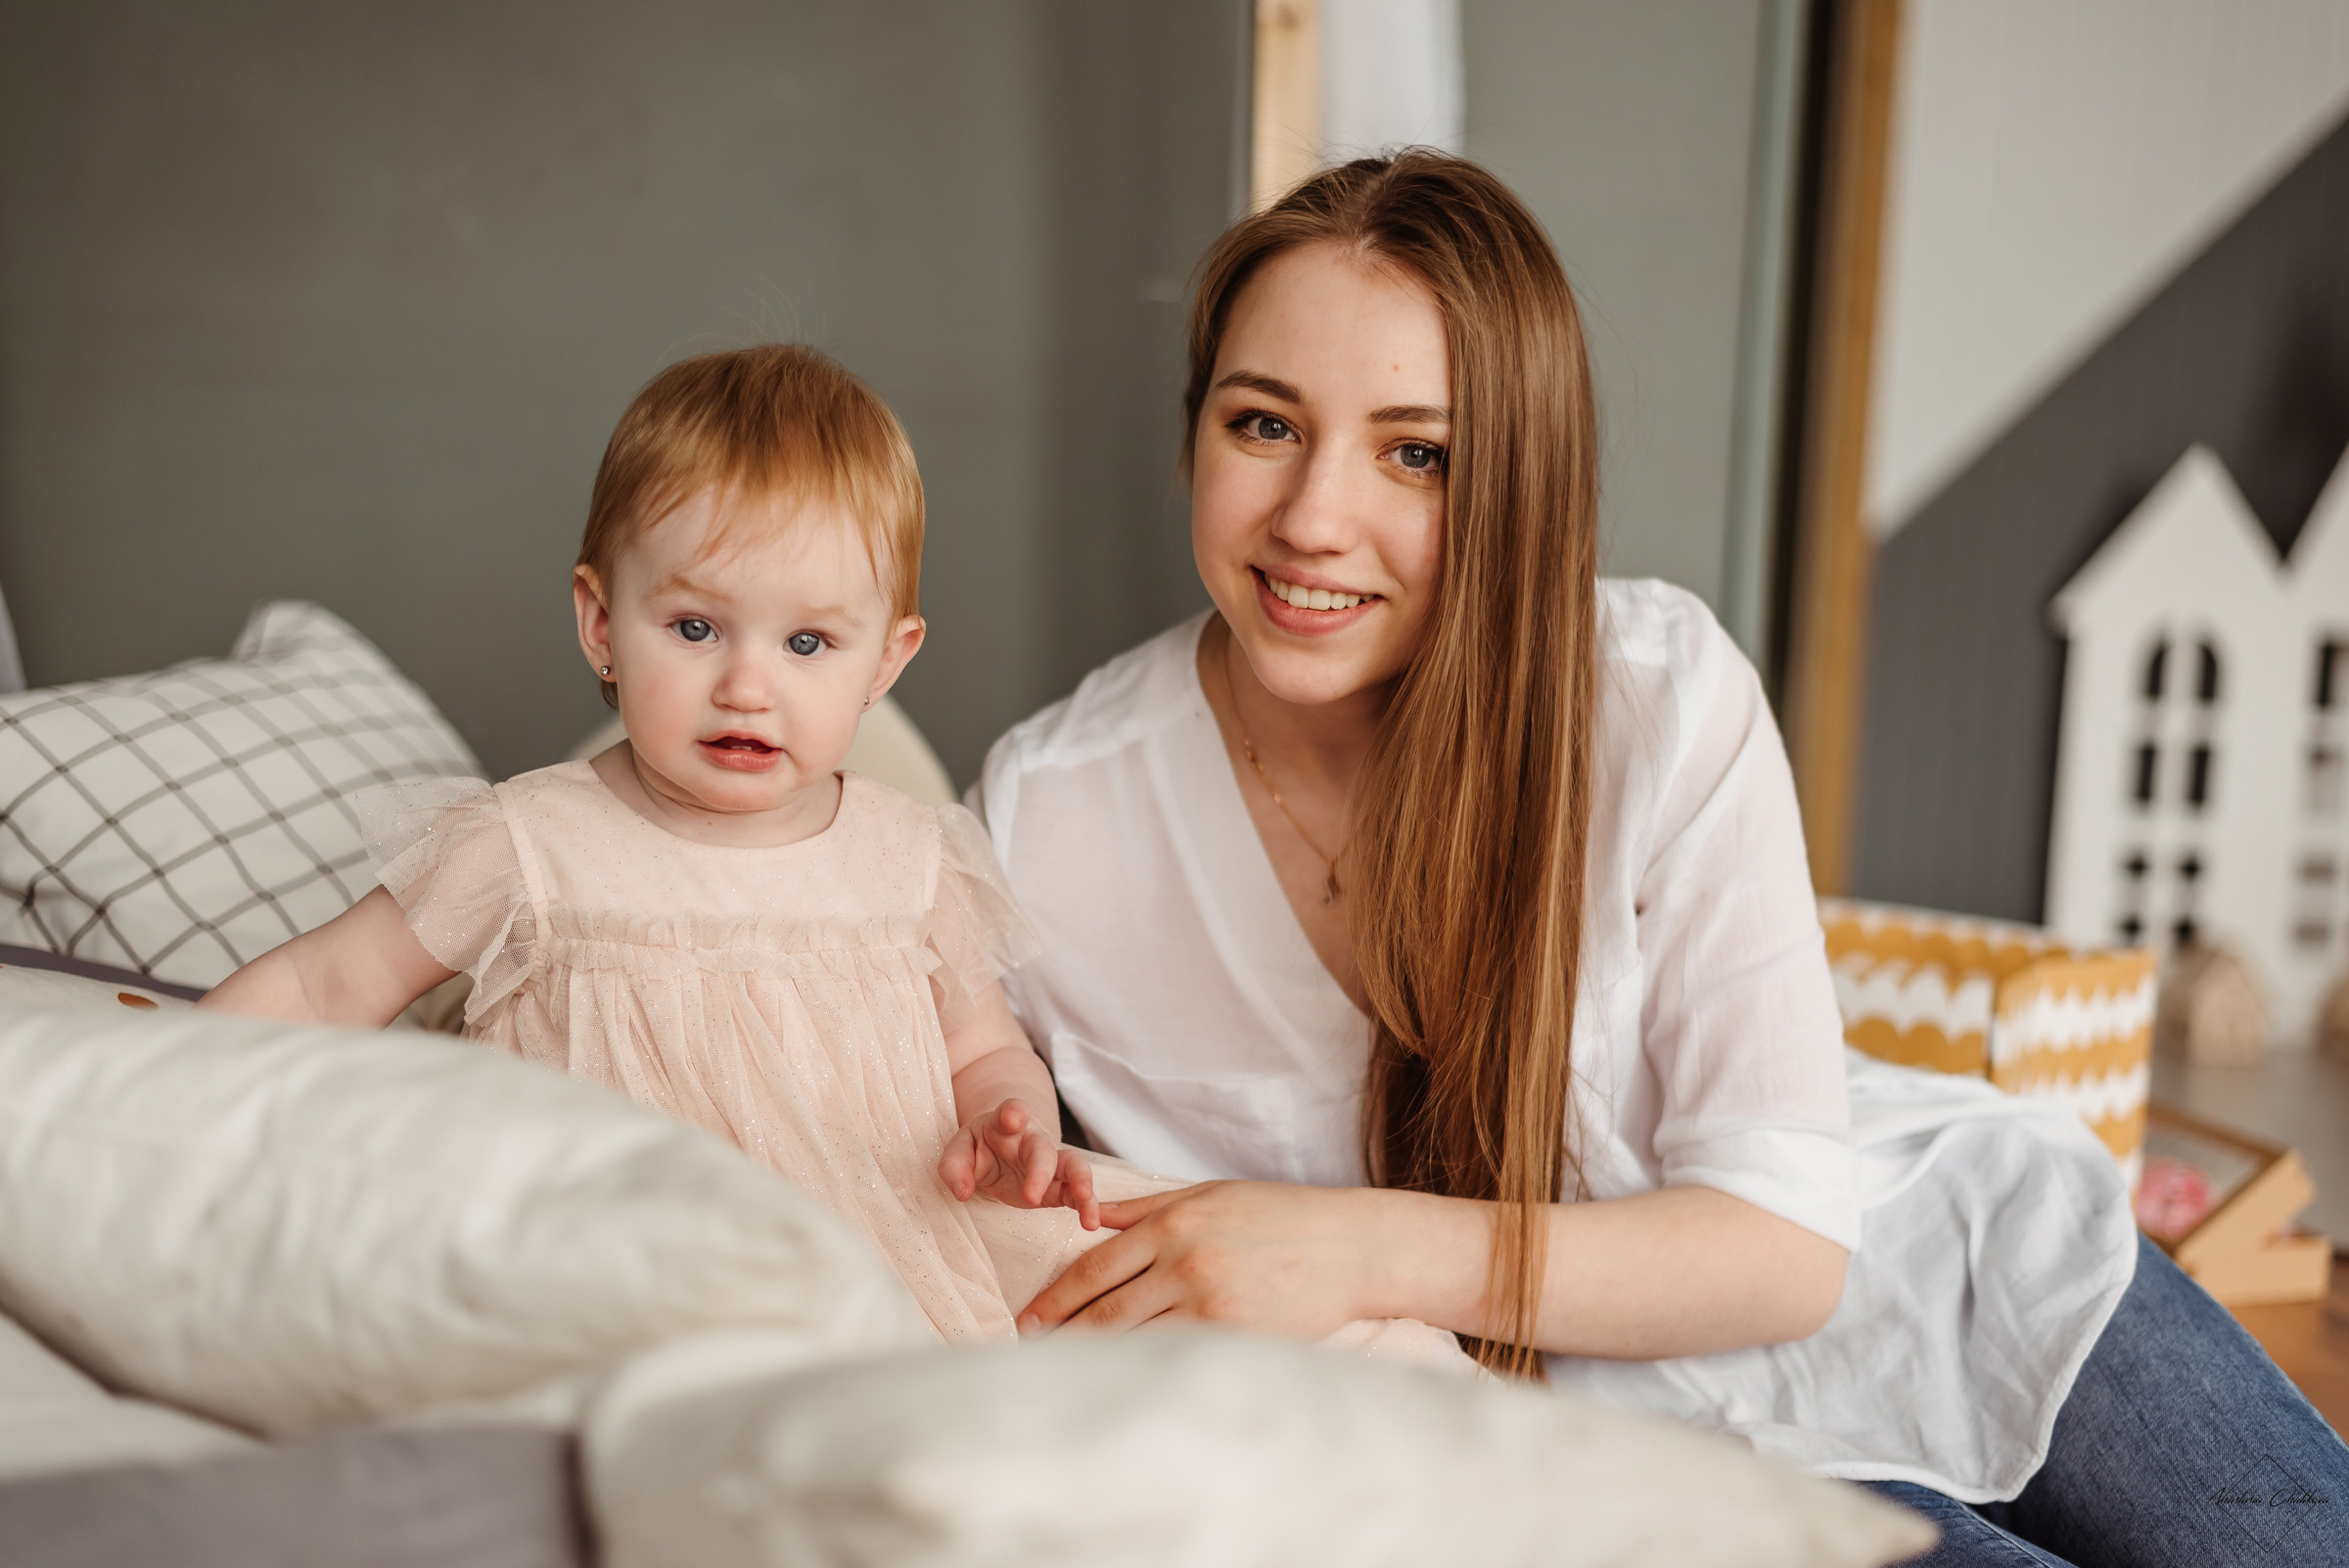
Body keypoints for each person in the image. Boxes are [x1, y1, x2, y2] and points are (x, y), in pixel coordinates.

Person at [974, 152, 2349, 1566]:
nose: (1316, 517)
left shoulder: (1653, 691)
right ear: (1193, 425)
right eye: (1264, 423)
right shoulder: (1049, 821)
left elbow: (1784, 1249)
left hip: (1934, 1267)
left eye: (1416, 452)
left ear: (1518, 474)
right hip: (1601, 1465)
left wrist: (1343, 1243)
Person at [198, 346, 1097, 1342]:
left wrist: (1012, 1125)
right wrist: (143, 1078)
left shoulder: (913, 862)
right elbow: (325, 988)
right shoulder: (527, 846)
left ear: (886, 659)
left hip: (877, 1253)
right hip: (596, 1259)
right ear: (601, 625)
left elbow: (984, 1051)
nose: (747, 686)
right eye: (696, 627)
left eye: (806, 644)